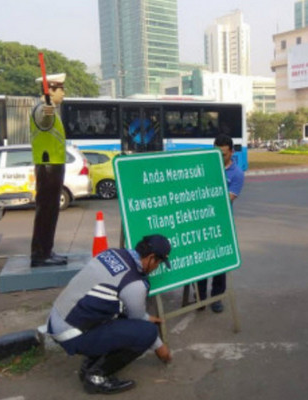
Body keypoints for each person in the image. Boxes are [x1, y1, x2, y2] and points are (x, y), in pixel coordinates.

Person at [46, 234, 173, 394]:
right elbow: (137, 320)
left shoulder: (112, 254)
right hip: (71, 334)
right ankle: (96, 376)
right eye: (159, 263)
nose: (157, 267)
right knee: (148, 332)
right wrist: (160, 348)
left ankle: (91, 363)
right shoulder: (134, 284)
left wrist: (146, 317)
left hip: (56, 320)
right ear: (151, 258)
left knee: (118, 312)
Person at [197, 134, 244, 313]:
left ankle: (216, 298)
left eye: (223, 154)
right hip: (201, 222)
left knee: (219, 263)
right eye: (216, 153)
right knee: (200, 262)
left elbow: (226, 201)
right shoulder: (205, 168)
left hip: (221, 224)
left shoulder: (237, 174)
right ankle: (199, 298)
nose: (219, 157)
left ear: (231, 152)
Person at [30, 72, 67, 267]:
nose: (63, 94)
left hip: (53, 165)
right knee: (46, 211)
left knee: (50, 211)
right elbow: (44, 120)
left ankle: (46, 250)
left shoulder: (50, 109)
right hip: (48, 167)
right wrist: (47, 107)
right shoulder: (42, 109)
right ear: (50, 91)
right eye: (61, 90)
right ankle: (40, 254)